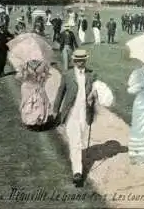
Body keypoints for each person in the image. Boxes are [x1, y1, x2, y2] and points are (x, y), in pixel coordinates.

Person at [53, 49, 98, 187]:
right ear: (73, 60)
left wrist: (93, 97)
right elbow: (61, 92)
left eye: (82, 59)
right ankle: (77, 173)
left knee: (80, 140)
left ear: (86, 60)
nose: (80, 62)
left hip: (85, 112)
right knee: (76, 142)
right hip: (71, 112)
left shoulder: (91, 75)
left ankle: (75, 159)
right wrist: (56, 110)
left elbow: (96, 92)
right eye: (77, 59)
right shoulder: (67, 74)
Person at [16, 59, 53, 129]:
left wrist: (42, 78)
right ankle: (29, 121)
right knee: (27, 103)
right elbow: (20, 77)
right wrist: (25, 75)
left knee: (39, 102)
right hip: (27, 87)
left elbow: (47, 76)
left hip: (38, 86)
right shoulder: (24, 64)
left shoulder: (43, 64)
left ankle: (38, 121)